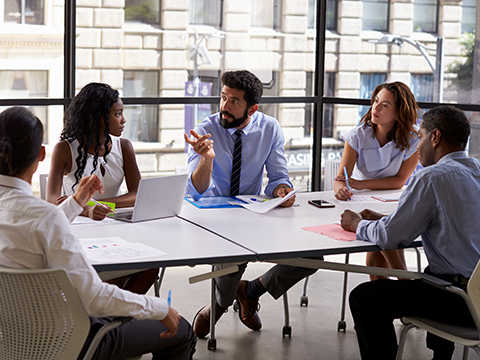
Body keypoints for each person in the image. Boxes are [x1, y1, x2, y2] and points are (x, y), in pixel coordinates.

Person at [0, 106, 196, 360]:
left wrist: (76, 202)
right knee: (181, 331)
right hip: (67, 339)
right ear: (40, 155)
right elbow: (94, 299)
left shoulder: (39, 216)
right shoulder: (43, 217)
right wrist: (159, 308)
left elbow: (39, 224)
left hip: (10, 338)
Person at [340, 105, 480, 360]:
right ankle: (441, 356)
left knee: (364, 298)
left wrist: (356, 224)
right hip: (475, 294)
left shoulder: (431, 177)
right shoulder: (476, 171)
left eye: (422, 136)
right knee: (433, 276)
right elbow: (457, 220)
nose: (417, 146)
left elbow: (390, 238)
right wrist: (393, 217)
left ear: (435, 137)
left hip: (460, 301)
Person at [184, 70, 316, 338]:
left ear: (252, 108)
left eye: (234, 101)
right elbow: (195, 191)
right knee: (231, 259)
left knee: (311, 258)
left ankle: (251, 290)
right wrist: (206, 159)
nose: (225, 106)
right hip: (213, 216)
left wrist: (282, 191)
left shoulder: (270, 128)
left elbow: (278, 178)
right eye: (223, 97)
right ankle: (219, 307)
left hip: (252, 212)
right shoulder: (204, 130)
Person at [47, 82, 158, 295]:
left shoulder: (124, 146)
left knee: (151, 267)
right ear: (99, 117)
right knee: (117, 271)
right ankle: (110, 320)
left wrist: (98, 204)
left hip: (116, 227)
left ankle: (116, 320)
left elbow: (138, 195)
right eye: (118, 114)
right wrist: (86, 209)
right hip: (79, 229)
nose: (124, 120)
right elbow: (52, 201)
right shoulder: (64, 149)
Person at [335, 82, 420, 281]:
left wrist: (361, 184)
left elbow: (399, 181)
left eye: (385, 105)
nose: (376, 107)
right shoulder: (357, 136)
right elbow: (341, 180)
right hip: (363, 201)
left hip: (394, 200)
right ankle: (403, 284)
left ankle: (402, 285)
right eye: (375, 101)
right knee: (379, 246)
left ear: (399, 113)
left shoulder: (413, 139)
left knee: (381, 235)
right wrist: (341, 188)